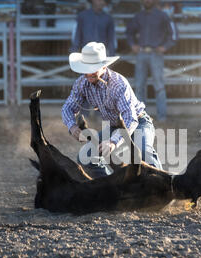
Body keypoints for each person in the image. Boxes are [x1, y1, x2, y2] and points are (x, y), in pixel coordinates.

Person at [61, 42, 162, 178]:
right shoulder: (82, 83)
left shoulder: (118, 84)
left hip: (139, 122)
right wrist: (72, 126)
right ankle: (111, 187)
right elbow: (68, 107)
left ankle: (166, 187)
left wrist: (113, 141)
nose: (89, 73)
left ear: (104, 66)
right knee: (86, 157)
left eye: (93, 68)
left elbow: (130, 119)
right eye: (86, 69)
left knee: (144, 152)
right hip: (115, 126)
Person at [126, 0, 177, 121]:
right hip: (142, 52)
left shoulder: (162, 16)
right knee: (139, 86)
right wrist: (132, 44)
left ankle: (162, 117)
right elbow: (129, 32)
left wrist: (165, 47)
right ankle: (140, 118)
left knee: (159, 85)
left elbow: (173, 34)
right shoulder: (138, 16)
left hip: (156, 53)